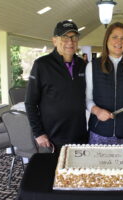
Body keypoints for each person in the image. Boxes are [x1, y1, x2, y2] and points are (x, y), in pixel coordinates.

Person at [25, 20, 88, 151]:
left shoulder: (83, 65)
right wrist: (38, 133)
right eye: (65, 37)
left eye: (74, 37)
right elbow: (30, 102)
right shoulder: (42, 65)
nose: (70, 42)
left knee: (79, 171)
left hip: (80, 135)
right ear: (54, 40)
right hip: (53, 138)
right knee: (53, 171)